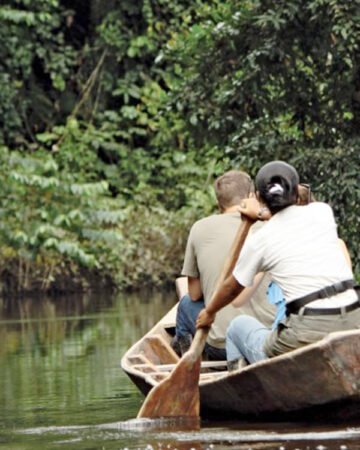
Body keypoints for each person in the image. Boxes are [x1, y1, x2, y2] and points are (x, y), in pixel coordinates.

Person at [197, 160, 360, 365]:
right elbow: (300, 195)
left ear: (258, 197)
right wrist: (265, 208)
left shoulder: (261, 240)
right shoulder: (322, 212)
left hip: (306, 331)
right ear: (294, 190)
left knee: (236, 327)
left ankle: (241, 391)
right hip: (354, 323)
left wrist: (210, 312)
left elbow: (231, 288)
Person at [172, 170, 276, 360]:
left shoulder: (200, 228)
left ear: (219, 202)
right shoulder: (271, 227)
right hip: (268, 338)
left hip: (220, 345)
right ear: (252, 197)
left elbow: (195, 294)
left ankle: (189, 361)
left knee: (186, 303)